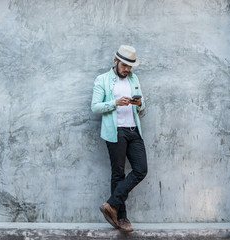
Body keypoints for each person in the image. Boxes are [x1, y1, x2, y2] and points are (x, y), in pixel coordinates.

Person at [91, 45, 147, 232]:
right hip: (115, 131)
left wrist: (139, 103)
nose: (127, 69)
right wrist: (115, 103)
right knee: (118, 173)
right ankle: (121, 218)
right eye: (124, 65)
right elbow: (95, 107)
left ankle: (111, 204)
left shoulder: (134, 78)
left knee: (141, 169)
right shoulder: (103, 80)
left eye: (130, 66)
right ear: (115, 61)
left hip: (133, 130)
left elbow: (142, 106)